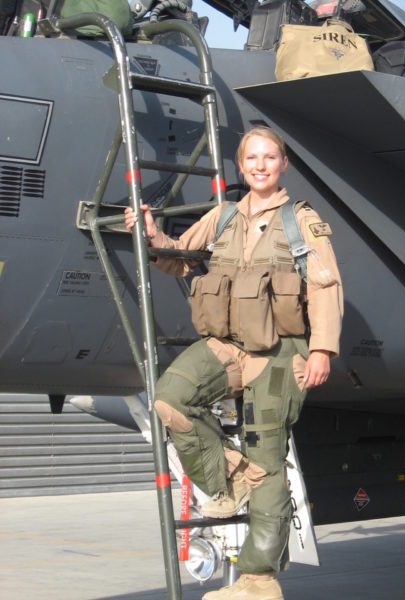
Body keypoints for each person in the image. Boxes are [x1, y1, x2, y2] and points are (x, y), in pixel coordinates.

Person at [125, 126, 343, 600]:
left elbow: (325, 287)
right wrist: (152, 234)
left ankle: (259, 580)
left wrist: (322, 349)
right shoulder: (223, 216)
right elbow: (180, 259)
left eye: (270, 157)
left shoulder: (300, 221)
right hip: (227, 345)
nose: (261, 165)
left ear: (283, 164)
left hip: (281, 353)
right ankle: (233, 475)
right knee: (170, 399)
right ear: (241, 167)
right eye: (252, 159)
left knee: (268, 454)